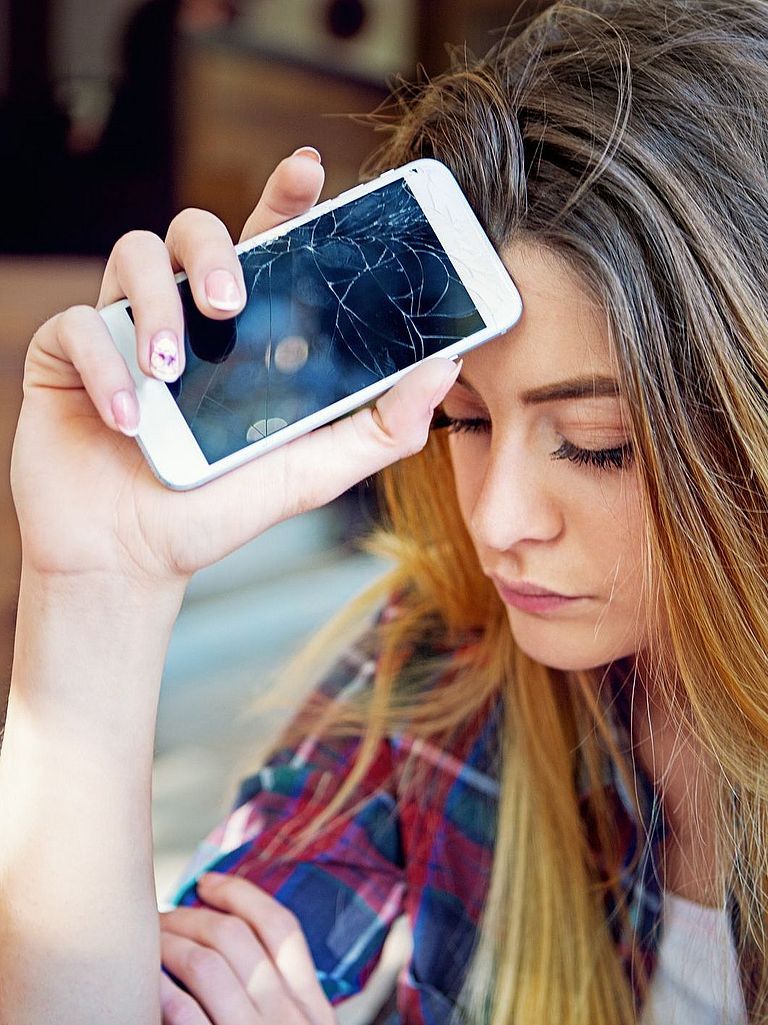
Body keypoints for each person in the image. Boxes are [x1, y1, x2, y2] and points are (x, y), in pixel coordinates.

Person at [2, 1, 767, 1023]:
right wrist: (94, 589)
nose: (498, 522)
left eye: (597, 444)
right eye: (463, 421)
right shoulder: (442, 674)